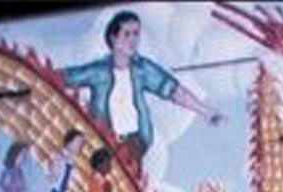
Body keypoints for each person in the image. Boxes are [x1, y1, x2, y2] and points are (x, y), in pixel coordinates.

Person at [62, 9, 222, 175]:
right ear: (113, 38)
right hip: (103, 141)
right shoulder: (98, 71)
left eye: (136, 34)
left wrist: (205, 111)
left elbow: (173, 90)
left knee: (121, 174)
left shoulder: (143, 69)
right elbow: (66, 77)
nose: (133, 40)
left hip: (134, 142)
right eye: (127, 34)